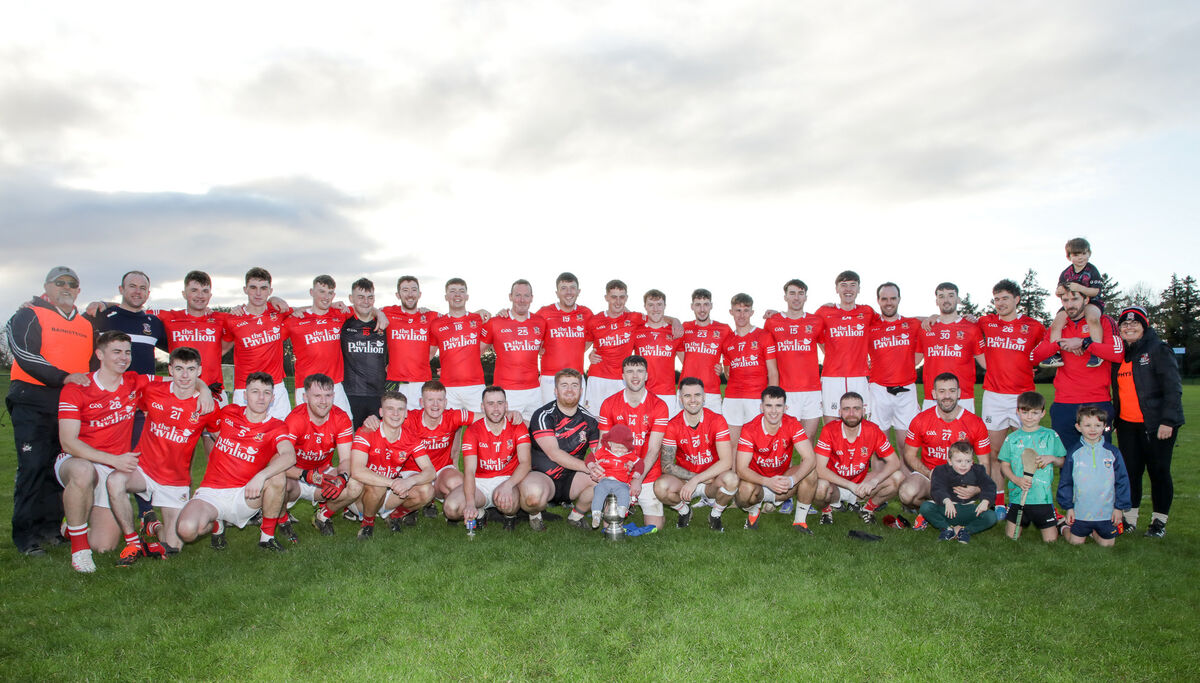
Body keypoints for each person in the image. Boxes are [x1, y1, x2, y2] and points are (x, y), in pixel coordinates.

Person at [6, 266, 95, 556]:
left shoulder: (85, 324)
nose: (66, 288)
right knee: (33, 466)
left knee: (57, 467)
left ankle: (50, 528)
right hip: (32, 399)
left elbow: (94, 363)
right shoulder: (29, 313)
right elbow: (24, 352)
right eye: (60, 283)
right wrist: (62, 376)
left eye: (73, 283)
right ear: (47, 286)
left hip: (69, 404)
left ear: (79, 290)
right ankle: (26, 536)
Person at [105, 347, 220, 560]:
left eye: (190, 369)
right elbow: (126, 388)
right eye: (179, 369)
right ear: (170, 370)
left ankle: (153, 527)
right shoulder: (152, 390)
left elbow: (219, 439)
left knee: (175, 545)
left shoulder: (208, 406)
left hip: (175, 480)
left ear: (199, 371)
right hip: (144, 469)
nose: (185, 375)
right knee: (115, 481)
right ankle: (132, 542)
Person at [56, 332, 150, 571]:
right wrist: (113, 459)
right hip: (77, 458)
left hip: (111, 468)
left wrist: (201, 389)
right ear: (99, 354)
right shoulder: (78, 387)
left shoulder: (133, 382)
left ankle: (72, 525)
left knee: (105, 545)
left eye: (127, 352)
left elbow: (178, 381)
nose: (124, 357)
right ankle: (79, 551)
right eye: (116, 351)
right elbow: (68, 442)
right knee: (83, 471)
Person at [175, 371, 296, 551]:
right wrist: (205, 391)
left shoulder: (277, 427)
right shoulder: (228, 413)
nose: (261, 397)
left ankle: (267, 537)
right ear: (245, 395)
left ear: (272, 398)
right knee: (186, 530)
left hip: (245, 494)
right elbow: (190, 390)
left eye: (267, 393)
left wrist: (261, 476)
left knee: (276, 476)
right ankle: (217, 523)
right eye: (255, 391)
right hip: (212, 492)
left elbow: (289, 455)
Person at [1111, 306, 1184, 537]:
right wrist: (1114, 418)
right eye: (1124, 324)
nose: (1129, 327)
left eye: (1134, 323)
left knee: (1159, 471)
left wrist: (1167, 421)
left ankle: (1158, 522)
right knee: (1131, 472)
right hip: (1127, 425)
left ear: (1145, 326)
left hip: (1156, 424)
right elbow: (1118, 391)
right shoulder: (1119, 354)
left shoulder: (1158, 349)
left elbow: (1173, 389)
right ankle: (1130, 520)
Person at [977, 279, 1045, 514]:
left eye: (1005, 298)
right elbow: (960, 324)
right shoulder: (986, 322)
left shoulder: (1033, 326)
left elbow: (1047, 347)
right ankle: (998, 503)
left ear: (1017, 299)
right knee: (994, 453)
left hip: (1023, 397)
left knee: (1027, 453)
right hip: (994, 396)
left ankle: (1030, 501)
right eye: (996, 299)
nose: (1000, 303)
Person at [1032, 289, 1123, 452]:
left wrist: (1084, 343)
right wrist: (1059, 344)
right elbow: (1035, 356)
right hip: (1064, 404)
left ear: (1086, 300)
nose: (1070, 305)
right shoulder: (1058, 326)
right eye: (1065, 300)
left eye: (1074, 299)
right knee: (1067, 459)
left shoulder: (1103, 321)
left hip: (1097, 401)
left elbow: (1117, 354)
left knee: (1100, 459)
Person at [899, 373, 991, 519]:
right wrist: (930, 474)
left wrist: (977, 488)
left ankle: (936, 509)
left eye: (952, 391)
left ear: (959, 393)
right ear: (934, 394)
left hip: (961, 480)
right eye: (942, 391)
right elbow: (909, 455)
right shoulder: (921, 420)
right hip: (931, 476)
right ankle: (935, 506)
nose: (947, 396)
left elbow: (984, 462)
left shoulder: (975, 422)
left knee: (963, 509)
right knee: (907, 493)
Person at [443, 386, 536, 531]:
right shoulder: (473, 430)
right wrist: (469, 502)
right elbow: (470, 470)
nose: (496, 408)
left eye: (500, 403)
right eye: (490, 403)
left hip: (507, 480)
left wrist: (508, 485)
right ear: (482, 406)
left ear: (506, 405)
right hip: (480, 483)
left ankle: (509, 517)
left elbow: (525, 463)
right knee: (451, 508)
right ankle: (480, 512)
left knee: (509, 505)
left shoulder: (517, 425)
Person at [282, 374, 363, 537]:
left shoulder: (341, 417)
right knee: (277, 480)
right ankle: (282, 519)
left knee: (355, 485)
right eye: (317, 396)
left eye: (328, 395)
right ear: (305, 397)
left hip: (322, 475)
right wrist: (306, 476)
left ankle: (322, 516)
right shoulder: (295, 419)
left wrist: (342, 477)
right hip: (296, 476)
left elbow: (346, 459)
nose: (323, 401)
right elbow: (280, 462)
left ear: (334, 395)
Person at [654, 377, 739, 531]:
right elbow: (666, 465)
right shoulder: (673, 425)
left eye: (697, 395)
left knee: (732, 479)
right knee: (660, 486)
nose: (693, 400)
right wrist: (694, 479)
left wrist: (699, 479)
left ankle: (715, 515)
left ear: (704, 397)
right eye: (687, 396)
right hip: (685, 481)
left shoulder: (717, 420)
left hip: (711, 482)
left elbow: (727, 461)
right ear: (680, 399)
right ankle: (685, 511)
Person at [347, 392, 436, 539]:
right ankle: (367, 524)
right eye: (390, 409)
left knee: (427, 490)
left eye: (400, 409)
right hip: (361, 497)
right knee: (378, 484)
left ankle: (393, 516)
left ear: (406, 413)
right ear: (381, 412)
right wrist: (393, 482)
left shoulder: (410, 437)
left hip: (388, 493)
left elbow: (431, 471)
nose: (395, 414)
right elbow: (357, 471)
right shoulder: (366, 431)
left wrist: (409, 482)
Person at [597, 355, 670, 530]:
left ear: (646, 375)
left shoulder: (659, 405)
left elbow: (653, 449)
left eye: (639, 371)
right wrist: (602, 469)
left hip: (646, 474)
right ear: (622, 375)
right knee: (609, 525)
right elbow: (603, 444)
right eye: (630, 371)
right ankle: (620, 502)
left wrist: (638, 477)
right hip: (618, 472)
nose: (635, 376)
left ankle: (640, 504)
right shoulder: (609, 403)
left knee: (655, 527)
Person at [734, 386, 818, 533]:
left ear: (785, 408)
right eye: (769, 406)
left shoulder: (792, 423)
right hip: (757, 483)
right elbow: (741, 469)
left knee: (810, 471)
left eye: (778, 406)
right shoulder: (750, 428)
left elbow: (810, 458)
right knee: (744, 493)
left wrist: (793, 480)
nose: (773, 411)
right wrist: (767, 482)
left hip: (782, 483)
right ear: (761, 407)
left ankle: (800, 522)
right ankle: (754, 512)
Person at [525, 368, 601, 530]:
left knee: (603, 480)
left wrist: (600, 468)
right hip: (543, 477)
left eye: (574, 385)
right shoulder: (543, 415)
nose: (569, 390)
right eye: (564, 385)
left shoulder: (590, 421)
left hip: (572, 480)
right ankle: (535, 514)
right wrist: (588, 467)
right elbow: (554, 453)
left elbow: (598, 455)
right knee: (532, 496)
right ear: (555, 390)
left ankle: (576, 516)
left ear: (581, 391)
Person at [813, 392, 902, 525]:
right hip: (835, 485)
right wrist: (850, 486)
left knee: (898, 477)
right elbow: (819, 469)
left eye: (856, 408)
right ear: (839, 412)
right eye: (846, 409)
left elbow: (894, 462)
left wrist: (874, 482)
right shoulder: (829, 430)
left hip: (861, 485)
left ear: (864, 411)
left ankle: (868, 508)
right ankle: (826, 511)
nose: (851, 413)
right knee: (820, 487)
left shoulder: (872, 430)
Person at [222, 267, 292, 419]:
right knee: (246, 438)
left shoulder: (278, 312)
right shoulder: (233, 319)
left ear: (270, 290)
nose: (258, 293)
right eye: (253, 288)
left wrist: (276, 300)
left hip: (276, 387)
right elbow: (220, 350)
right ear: (245, 289)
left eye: (263, 288)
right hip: (245, 389)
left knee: (282, 436)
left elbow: (309, 312)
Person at [1057, 405, 1132, 547]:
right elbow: (1066, 482)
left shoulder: (1112, 452)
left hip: (1106, 512)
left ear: (1104, 426)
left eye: (1097, 425)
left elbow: (1122, 481)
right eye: (1088, 425)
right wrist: (1069, 508)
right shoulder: (1074, 453)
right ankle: (1064, 527)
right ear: (1078, 427)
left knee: (1107, 545)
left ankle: (1094, 532)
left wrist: (1118, 508)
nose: (1093, 429)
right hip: (1081, 512)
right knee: (1076, 543)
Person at [996, 391, 1065, 543]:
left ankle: (1061, 525)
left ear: (1043, 413)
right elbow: (1004, 466)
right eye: (1025, 412)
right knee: (1011, 539)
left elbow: (1062, 461)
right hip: (1018, 496)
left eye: (1035, 413)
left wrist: (1052, 458)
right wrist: (1016, 480)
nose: (1029, 417)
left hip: (1043, 497)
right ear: (1017, 412)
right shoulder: (1012, 438)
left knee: (1051, 541)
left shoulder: (1050, 436)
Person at [283, 275, 354, 414]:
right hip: (306, 386)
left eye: (330, 293)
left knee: (346, 425)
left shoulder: (339, 314)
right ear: (311, 292)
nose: (326, 297)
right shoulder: (295, 319)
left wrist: (380, 315)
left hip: (334, 385)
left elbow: (365, 309)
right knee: (307, 430)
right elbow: (272, 337)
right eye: (321, 291)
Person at [764, 279, 825, 440]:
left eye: (800, 293)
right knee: (784, 442)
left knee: (809, 439)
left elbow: (829, 352)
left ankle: (809, 467)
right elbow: (765, 354)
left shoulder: (816, 321)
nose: (796, 298)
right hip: (785, 391)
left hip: (812, 391)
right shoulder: (772, 321)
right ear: (785, 297)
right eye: (792, 293)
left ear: (806, 297)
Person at [815, 270, 878, 418]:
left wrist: (930, 318)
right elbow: (808, 329)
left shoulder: (867, 311)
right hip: (832, 377)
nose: (848, 289)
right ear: (837, 289)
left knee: (860, 423)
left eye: (852, 285)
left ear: (859, 289)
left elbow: (891, 321)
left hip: (859, 377)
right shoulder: (824, 312)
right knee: (831, 424)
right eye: (843, 285)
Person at [867, 282, 923, 445]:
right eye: (884, 299)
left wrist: (934, 317)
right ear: (878, 301)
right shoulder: (870, 327)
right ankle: (880, 472)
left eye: (893, 298)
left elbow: (938, 321)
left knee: (907, 446)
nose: (889, 302)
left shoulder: (912, 324)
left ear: (899, 299)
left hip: (906, 391)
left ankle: (905, 472)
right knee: (878, 446)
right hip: (878, 391)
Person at [481, 279, 546, 420]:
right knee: (508, 436)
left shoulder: (540, 322)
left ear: (532, 298)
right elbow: (475, 352)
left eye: (526, 296)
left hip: (534, 390)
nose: (522, 300)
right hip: (507, 390)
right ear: (510, 297)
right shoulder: (496, 322)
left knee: (535, 435)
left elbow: (545, 348)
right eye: (517, 295)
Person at [720, 293, 778, 445]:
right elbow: (727, 372)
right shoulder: (727, 341)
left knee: (758, 443)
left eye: (746, 310)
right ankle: (732, 470)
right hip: (732, 398)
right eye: (738, 310)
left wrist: (772, 400)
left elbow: (773, 371)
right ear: (731, 312)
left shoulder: (764, 336)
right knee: (732, 444)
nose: (742, 315)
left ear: (752, 312)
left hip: (756, 398)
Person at [918, 282, 985, 413]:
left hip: (963, 397)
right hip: (932, 397)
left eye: (950, 295)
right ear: (936, 301)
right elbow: (914, 361)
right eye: (941, 296)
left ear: (958, 299)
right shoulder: (926, 328)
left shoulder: (971, 328)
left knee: (963, 434)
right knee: (931, 434)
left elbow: (986, 363)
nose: (946, 300)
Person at [917, 441, 998, 544]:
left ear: (972, 461)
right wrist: (947, 501)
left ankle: (965, 531)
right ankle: (946, 529)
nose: (963, 465)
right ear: (950, 461)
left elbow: (989, 485)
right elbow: (937, 488)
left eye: (967, 461)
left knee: (991, 517)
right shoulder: (940, 470)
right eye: (959, 461)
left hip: (969, 509)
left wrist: (985, 501)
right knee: (925, 507)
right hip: (947, 509)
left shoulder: (978, 470)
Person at [1044, 237, 1106, 368]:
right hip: (1071, 304)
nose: (1081, 257)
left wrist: (1081, 289)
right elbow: (1058, 291)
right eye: (1076, 255)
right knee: (1056, 324)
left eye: (1084, 253)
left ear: (1089, 253)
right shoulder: (1066, 273)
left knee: (1093, 318)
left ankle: (1097, 351)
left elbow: (1096, 291)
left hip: (1092, 301)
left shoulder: (1092, 271)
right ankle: (1055, 354)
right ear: (1069, 257)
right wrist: (1059, 291)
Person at [584, 279, 646, 409]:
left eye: (621, 297)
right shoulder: (594, 321)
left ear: (626, 298)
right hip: (598, 377)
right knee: (594, 419)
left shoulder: (634, 317)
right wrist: (589, 356)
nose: (618, 301)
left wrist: (675, 321)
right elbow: (582, 346)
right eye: (614, 297)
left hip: (622, 378)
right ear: (606, 297)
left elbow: (656, 317)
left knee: (620, 419)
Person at [380, 275, 438, 409]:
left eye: (413, 290)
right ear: (398, 294)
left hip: (422, 383)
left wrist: (479, 312)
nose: (410, 294)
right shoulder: (388, 312)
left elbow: (455, 318)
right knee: (394, 424)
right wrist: (378, 313)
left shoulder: (430, 316)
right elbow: (365, 311)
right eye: (405, 290)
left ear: (419, 294)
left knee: (422, 425)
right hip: (396, 382)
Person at [535, 272, 593, 404]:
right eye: (564, 288)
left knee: (576, 421)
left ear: (578, 291)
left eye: (572, 288)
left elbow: (593, 337)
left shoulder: (586, 313)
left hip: (576, 377)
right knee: (549, 420)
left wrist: (576, 350)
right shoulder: (544, 312)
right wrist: (538, 348)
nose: (568, 292)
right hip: (550, 378)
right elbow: (529, 330)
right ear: (557, 292)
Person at [429, 278, 487, 411]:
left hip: (475, 386)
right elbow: (429, 354)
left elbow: (491, 343)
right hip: (448, 387)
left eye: (461, 291)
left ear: (467, 296)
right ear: (446, 297)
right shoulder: (437, 324)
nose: (457, 295)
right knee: (449, 429)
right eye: (452, 291)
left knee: (480, 427)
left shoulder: (479, 319)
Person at [341, 278, 388, 429]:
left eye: (370, 297)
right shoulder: (344, 323)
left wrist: (379, 313)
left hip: (378, 394)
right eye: (360, 297)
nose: (366, 302)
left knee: (377, 441)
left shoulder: (383, 324)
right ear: (351, 298)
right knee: (354, 442)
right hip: (352, 393)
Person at [678, 288, 732, 413]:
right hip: (685, 390)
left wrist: (724, 368)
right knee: (682, 431)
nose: (702, 309)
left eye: (706, 304)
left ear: (711, 306)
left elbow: (730, 354)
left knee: (713, 431)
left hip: (711, 392)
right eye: (698, 305)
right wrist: (689, 364)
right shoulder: (684, 327)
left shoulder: (723, 329)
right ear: (692, 306)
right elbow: (679, 350)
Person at [631, 289, 682, 418]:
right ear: (645, 307)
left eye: (659, 304)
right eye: (651, 305)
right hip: (642, 393)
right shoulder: (636, 330)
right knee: (641, 435)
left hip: (667, 395)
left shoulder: (675, 332)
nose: (655, 309)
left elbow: (687, 363)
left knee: (667, 436)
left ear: (665, 306)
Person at [585, 424, 643, 529]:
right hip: (605, 480)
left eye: (623, 447)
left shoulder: (629, 455)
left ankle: (622, 510)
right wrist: (591, 465)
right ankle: (596, 514)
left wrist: (637, 473)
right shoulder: (604, 452)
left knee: (624, 493)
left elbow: (640, 463)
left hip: (621, 483)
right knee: (598, 492)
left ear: (628, 446)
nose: (620, 450)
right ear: (610, 443)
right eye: (617, 447)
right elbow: (590, 457)